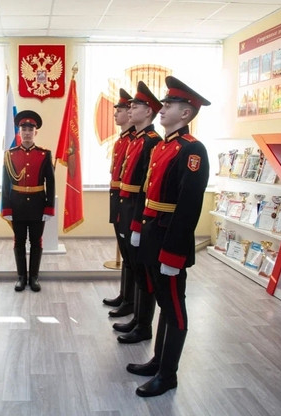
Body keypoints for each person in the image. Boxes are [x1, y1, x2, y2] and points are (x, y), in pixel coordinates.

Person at [126, 76, 210, 397]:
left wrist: (173, 255)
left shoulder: (192, 150)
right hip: (152, 234)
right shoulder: (163, 146)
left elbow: (188, 207)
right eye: (164, 104)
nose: (162, 109)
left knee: (174, 308)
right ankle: (158, 361)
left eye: (170, 105)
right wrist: (139, 227)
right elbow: (147, 193)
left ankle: (168, 374)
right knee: (162, 301)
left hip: (169, 241)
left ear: (186, 113)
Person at [113, 81, 162, 344]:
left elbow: (147, 187)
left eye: (135, 106)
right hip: (127, 205)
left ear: (149, 111)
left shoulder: (151, 141)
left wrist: (137, 222)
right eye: (129, 106)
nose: (130, 109)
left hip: (138, 210)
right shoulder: (136, 140)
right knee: (134, 265)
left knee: (142, 271)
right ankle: (137, 317)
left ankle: (143, 323)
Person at [1, 110, 55, 292]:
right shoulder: (10, 155)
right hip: (17, 205)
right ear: (19, 131)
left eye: (30, 130)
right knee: (19, 241)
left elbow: (51, 183)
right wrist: (6, 208)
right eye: (23, 129)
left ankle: (34, 277)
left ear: (35, 132)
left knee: (36, 242)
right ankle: (21, 277)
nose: (27, 133)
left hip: (37, 205)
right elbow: (5, 184)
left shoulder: (44, 154)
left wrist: (49, 208)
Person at [103, 88, 137, 318]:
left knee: (131, 256)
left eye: (121, 110)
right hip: (118, 198)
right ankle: (125, 295)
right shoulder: (123, 140)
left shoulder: (136, 140)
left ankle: (130, 301)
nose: (116, 114)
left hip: (129, 202)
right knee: (126, 254)